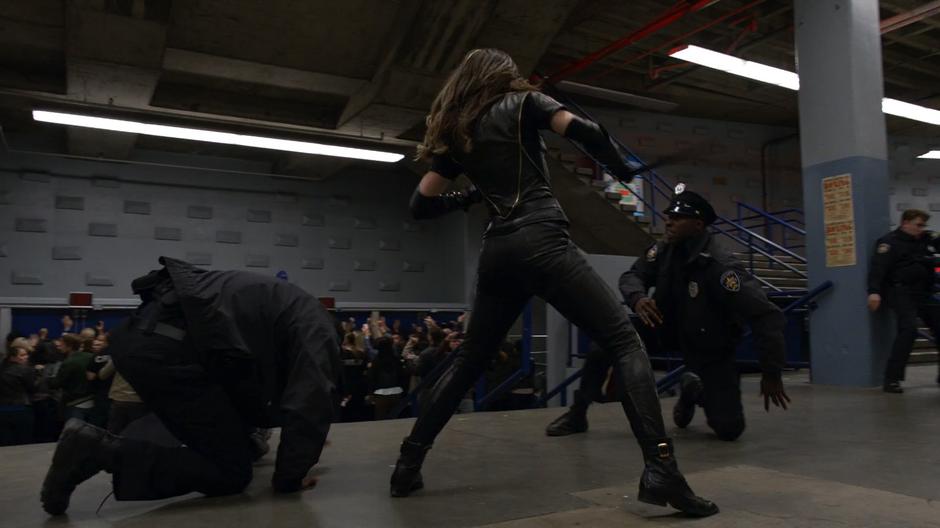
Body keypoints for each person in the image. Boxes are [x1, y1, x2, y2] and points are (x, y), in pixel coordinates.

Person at [388, 48, 717, 517]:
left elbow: (420, 205)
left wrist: (470, 196)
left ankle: (407, 464)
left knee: (468, 361)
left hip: (498, 253)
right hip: (542, 240)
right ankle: (661, 469)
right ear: (503, 77)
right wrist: (615, 163)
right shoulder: (523, 102)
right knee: (625, 344)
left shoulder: (457, 132)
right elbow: (581, 130)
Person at [40, 257, 341, 516]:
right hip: (169, 350)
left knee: (230, 451)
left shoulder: (285, 307)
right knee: (231, 473)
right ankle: (99, 450)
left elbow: (240, 376)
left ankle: (96, 449)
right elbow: (310, 400)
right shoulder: (318, 328)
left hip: (147, 337)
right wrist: (290, 477)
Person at [546, 187, 790, 442]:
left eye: (677, 218)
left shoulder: (721, 267)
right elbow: (633, 275)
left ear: (697, 225)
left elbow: (766, 315)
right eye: (668, 216)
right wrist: (638, 298)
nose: (668, 221)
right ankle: (578, 414)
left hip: (709, 345)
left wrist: (771, 371)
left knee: (729, 429)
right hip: (665, 329)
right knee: (605, 341)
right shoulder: (663, 250)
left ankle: (692, 391)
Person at [867, 208, 940, 393]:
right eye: (918, 225)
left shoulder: (926, 239)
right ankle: (892, 379)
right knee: (909, 330)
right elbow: (878, 269)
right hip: (900, 291)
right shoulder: (889, 242)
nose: (921, 228)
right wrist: (874, 292)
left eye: (923, 225)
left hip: (924, 292)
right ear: (905, 223)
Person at [0, 346, 39, 445]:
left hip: (3, 408)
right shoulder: (26, 370)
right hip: (21, 407)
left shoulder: (2, 369)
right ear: (12, 357)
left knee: (5, 440)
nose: (26, 357)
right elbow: (33, 389)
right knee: (23, 440)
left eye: (26, 354)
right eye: (22, 355)